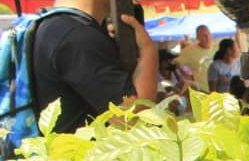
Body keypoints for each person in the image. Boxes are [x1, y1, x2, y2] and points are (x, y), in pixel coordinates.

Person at [32, 0, 156, 134]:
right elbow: (132, 120)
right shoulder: (78, 37)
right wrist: (148, 51)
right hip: (80, 153)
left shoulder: (54, 28)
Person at [177, 25, 214, 92]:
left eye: (209, 34)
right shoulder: (189, 51)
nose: (208, 37)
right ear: (198, 37)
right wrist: (187, 76)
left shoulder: (217, 47)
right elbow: (177, 63)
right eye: (204, 35)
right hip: (202, 91)